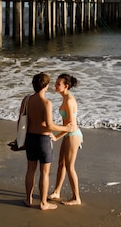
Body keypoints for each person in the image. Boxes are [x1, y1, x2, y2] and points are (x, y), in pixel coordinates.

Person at [21, 72, 71, 210]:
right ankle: (43, 203)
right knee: (44, 172)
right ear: (46, 86)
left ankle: (28, 199)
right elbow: (49, 125)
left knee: (30, 170)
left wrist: (18, 139)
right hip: (44, 140)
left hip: (30, 138)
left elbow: (21, 121)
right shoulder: (46, 103)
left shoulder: (26, 100)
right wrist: (65, 127)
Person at [49, 73, 83, 205]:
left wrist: (56, 135)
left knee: (70, 167)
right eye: (56, 83)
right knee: (61, 164)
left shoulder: (69, 100)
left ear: (66, 86)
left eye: (58, 84)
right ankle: (57, 192)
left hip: (73, 135)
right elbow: (66, 126)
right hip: (68, 134)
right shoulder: (64, 98)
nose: (55, 85)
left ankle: (76, 198)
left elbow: (71, 125)